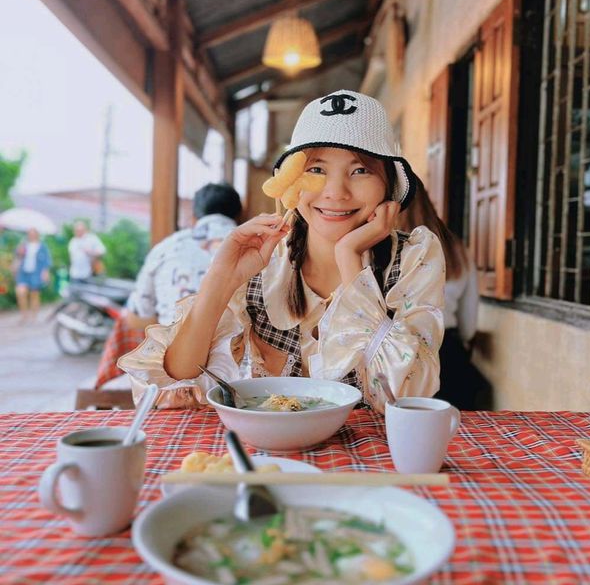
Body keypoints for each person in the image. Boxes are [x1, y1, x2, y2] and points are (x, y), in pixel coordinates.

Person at [119, 90, 446, 412]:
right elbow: (176, 382)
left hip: (376, 446)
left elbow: (407, 395)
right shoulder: (266, 261)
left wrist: (349, 259)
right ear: (290, 183)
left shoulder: (413, 256)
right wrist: (221, 278)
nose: (335, 193)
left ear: (388, 185)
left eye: (360, 170)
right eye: (316, 169)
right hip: (270, 443)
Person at [397, 179, 489, 410]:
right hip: (449, 354)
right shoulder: (456, 249)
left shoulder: (384, 246)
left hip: (399, 350)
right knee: (454, 426)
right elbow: (469, 325)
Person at [124, 182, 242, 330]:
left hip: (174, 340)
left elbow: (136, 316)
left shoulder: (166, 248)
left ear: (193, 216)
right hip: (240, 343)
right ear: (240, 215)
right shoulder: (256, 247)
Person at [14, 227, 52, 322]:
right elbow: (17, 256)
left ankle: (34, 315)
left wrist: (45, 273)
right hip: (23, 273)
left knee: (34, 295)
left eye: (33, 233)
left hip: (36, 273)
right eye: (30, 234)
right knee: (20, 292)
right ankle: (24, 315)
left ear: (37, 235)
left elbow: (46, 261)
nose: (31, 235)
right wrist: (19, 252)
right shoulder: (23, 245)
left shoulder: (42, 246)